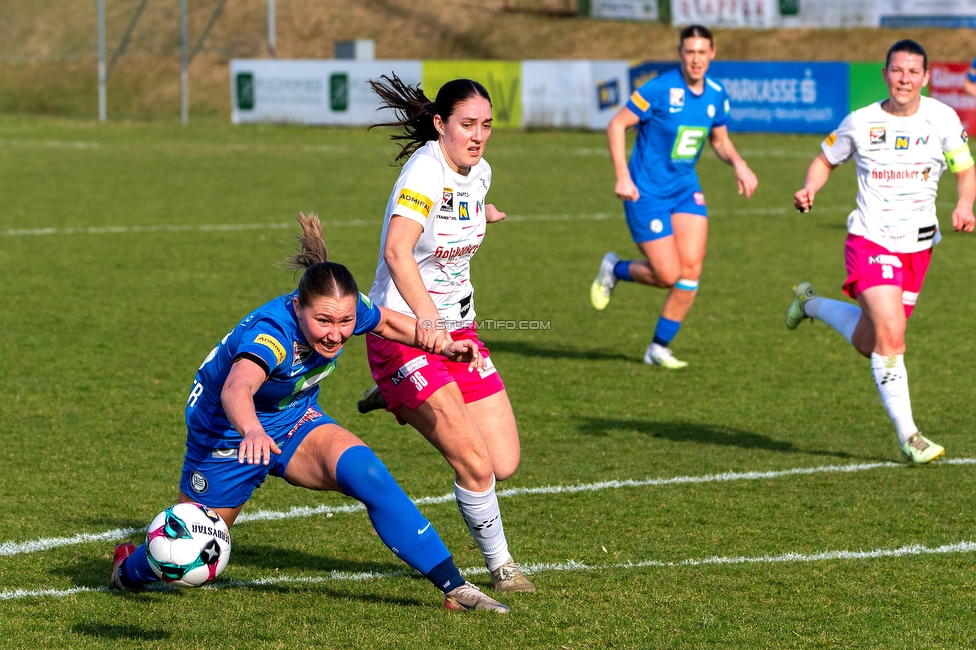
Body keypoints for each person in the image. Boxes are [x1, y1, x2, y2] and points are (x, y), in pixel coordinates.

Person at [109, 213, 510, 613]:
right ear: (298, 307)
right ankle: (128, 570)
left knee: (367, 472)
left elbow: (386, 321)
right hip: (227, 435)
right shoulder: (271, 335)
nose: (336, 333)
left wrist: (441, 344)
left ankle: (456, 588)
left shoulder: (343, 311)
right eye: (323, 322)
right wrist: (250, 431)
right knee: (190, 544)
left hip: (294, 420)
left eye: (345, 321)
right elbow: (237, 387)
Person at [357, 74, 534, 593]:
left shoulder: (478, 173)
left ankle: (393, 395)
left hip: (462, 333)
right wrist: (427, 324)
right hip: (404, 333)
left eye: (486, 126)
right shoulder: (424, 174)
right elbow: (397, 251)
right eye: (466, 125)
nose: (478, 136)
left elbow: (462, 210)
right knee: (477, 466)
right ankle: (502, 568)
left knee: (505, 461)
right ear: (440, 124)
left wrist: (486, 213)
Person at [788, 40, 975, 463]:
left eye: (913, 72)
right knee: (891, 334)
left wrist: (965, 203)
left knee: (870, 341)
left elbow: (966, 169)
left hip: (918, 247)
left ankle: (810, 304)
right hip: (870, 240)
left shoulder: (942, 119)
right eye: (897, 70)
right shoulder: (860, 121)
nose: (904, 79)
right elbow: (824, 158)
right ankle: (910, 437)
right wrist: (810, 188)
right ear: (886, 74)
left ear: (926, 78)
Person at [590, 24, 758, 369]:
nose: (696, 59)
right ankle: (615, 269)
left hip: (685, 190)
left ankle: (658, 348)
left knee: (691, 271)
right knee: (667, 274)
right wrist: (622, 175)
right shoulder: (659, 88)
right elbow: (616, 125)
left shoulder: (716, 94)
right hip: (645, 192)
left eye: (702, 52)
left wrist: (739, 163)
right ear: (681, 53)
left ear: (713, 53)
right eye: (689, 52)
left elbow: (720, 140)